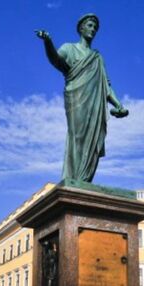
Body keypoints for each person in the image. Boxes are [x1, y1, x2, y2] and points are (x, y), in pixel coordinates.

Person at [36, 14, 128, 183]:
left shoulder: (97, 58)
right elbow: (56, 60)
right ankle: (73, 178)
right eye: (90, 25)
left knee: (93, 141)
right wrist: (48, 42)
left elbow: (106, 86)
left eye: (95, 27)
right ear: (81, 28)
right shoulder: (69, 48)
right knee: (77, 136)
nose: (93, 30)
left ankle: (84, 181)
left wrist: (118, 105)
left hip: (95, 103)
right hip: (76, 98)